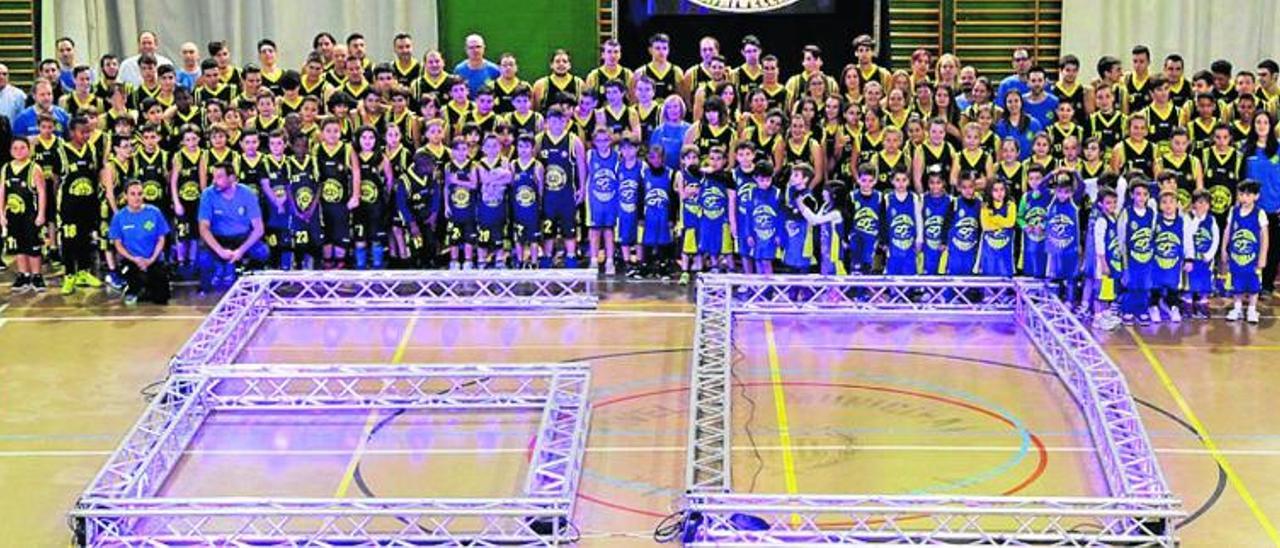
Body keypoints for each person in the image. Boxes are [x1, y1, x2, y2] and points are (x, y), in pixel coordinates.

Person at [197, 162, 267, 292]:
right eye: (213, 177)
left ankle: (251, 285)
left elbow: (258, 229)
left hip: (241, 238)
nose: (214, 181)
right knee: (203, 258)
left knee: (262, 251)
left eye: (219, 177)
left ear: (232, 178)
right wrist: (220, 251)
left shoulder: (247, 193)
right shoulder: (208, 194)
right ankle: (208, 287)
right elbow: (203, 229)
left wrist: (240, 250)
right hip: (218, 238)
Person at [108, 179, 170, 305]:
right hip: (131, 261)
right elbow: (118, 245)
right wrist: (134, 259)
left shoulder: (155, 212)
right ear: (125, 196)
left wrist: (151, 259)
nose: (137, 198)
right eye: (133, 194)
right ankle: (133, 288)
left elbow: (161, 239)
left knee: (161, 297)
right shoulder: (119, 217)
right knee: (133, 290)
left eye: (140, 194)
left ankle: (148, 289)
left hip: (152, 260)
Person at [1, 137, 47, 291]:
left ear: (29, 150)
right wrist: (1, 214)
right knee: (18, 245)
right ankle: (23, 275)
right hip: (13, 214)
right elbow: (2, 192)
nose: (19, 151)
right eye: (15, 148)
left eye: (22, 148)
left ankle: (37, 275)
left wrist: (41, 214)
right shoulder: (6, 168)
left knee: (33, 246)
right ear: (10, 151)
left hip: (30, 214)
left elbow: (41, 192)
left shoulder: (34, 168)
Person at [1223, 180, 1268, 323]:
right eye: (1241, 194)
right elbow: (1227, 231)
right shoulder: (1233, 211)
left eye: (1248, 195)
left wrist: (1262, 257)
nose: (1244, 198)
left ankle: (1252, 309)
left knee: (1253, 285)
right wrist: (1224, 249)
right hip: (1236, 257)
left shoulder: (1259, 213)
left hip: (1253, 258)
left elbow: (1265, 237)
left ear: (1256, 196)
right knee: (1237, 283)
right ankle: (1237, 308)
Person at [454, 34, 500, 99]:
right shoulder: (459, 70)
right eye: (471, 47)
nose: (475, 50)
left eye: (478, 47)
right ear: (466, 49)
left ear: (484, 48)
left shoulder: (494, 70)